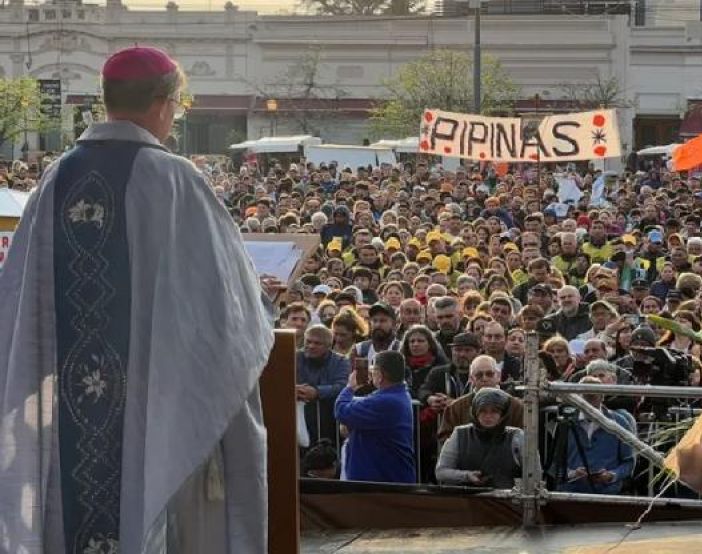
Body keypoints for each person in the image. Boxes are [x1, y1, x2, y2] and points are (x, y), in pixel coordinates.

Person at [0, 46, 274, 552]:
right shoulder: (178, 180)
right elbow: (230, 317)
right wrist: (262, 305)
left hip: (69, 424)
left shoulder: (54, 181)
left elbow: (19, 313)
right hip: (159, 415)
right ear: (165, 102)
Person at [335, 350, 417, 483]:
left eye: (373, 370)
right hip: (380, 477)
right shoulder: (397, 394)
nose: (371, 373)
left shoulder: (386, 401)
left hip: (381, 480)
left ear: (380, 374)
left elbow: (342, 411)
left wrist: (349, 388)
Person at [555, 377, 636, 495]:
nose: (588, 403)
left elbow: (629, 463)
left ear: (602, 397)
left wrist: (612, 475)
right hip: (571, 493)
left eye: (592, 397)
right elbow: (555, 464)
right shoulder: (565, 423)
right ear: (577, 398)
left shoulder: (620, 422)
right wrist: (572, 474)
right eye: (585, 397)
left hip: (607, 493)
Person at [435, 388, 525, 489]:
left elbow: (533, 474)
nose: (488, 416)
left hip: (505, 499)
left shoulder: (517, 437)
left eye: (494, 411)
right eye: (482, 411)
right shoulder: (460, 434)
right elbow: (441, 471)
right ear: (475, 412)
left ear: (503, 414)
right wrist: (467, 476)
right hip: (468, 498)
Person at [438, 355, 525, 440]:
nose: (484, 378)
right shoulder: (455, 408)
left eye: (489, 374)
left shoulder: (516, 407)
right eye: (479, 375)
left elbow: (524, 439)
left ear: (498, 376)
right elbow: (446, 439)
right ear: (471, 379)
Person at [297, 325, 351, 443]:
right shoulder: (295, 357)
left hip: (329, 422)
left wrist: (317, 392)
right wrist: (294, 390)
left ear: (328, 346)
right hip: (299, 421)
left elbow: (342, 386)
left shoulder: (341, 362)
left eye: (317, 343)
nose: (311, 346)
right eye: (308, 342)